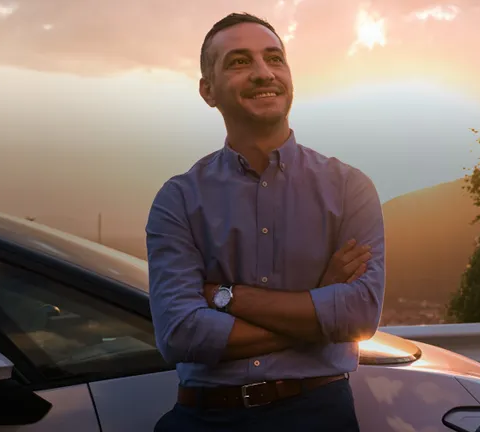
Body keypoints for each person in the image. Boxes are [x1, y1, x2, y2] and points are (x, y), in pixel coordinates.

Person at [145, 12, 386, 432]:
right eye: (239, 62)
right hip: (204, 418)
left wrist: (223, 296)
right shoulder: (178, 199)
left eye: (274, 58)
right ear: (208, 90)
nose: (263, 73)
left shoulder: (350, 188)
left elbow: (359, 316)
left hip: (317, 415)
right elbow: (181, 334)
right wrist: (318, 304)